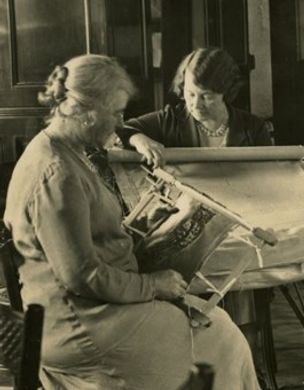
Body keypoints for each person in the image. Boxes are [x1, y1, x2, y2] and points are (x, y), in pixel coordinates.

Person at [3, 54, 260, 390]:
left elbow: (88, 237)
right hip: (79, 323)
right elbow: (82, 276)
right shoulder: (57, 172)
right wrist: (153, 285)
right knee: (219, 337)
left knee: (216, 324)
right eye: (116, 113)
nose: (120, 122)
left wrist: (144, 226)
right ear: (86, 112)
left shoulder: (62, 151)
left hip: (92, 307)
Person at [115, 47, 273, 384]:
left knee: (241, 269)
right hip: (189, 233)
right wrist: (141, 140)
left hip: (240, 222)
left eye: (207, 97)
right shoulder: (171, 119)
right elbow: (123, 129)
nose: (196, 104)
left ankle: (244, 364)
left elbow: (268, 177)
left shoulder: (252, 127)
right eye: (189, 94)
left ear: (226, 93)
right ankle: (197, 363)